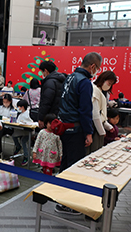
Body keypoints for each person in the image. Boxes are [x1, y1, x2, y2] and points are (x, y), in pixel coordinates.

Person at [56, 52, 102, 215]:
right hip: (76, 129)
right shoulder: (85, 82)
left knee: (66, 162)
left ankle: (60, 198)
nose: (96, 72)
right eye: (97, 68)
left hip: (65, 127)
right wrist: (89, 133)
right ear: (92, 66)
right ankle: (68, 203)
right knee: (75, 165)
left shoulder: (70, 77)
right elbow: (85, 110)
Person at [87, 71, 117, 154]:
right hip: (94, 127)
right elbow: (95, 114)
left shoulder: (99, 90)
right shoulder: (95, 90)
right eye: (109, 83)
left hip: (97, 126)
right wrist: (102, 131)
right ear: (103, 79)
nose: (109, 86)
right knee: (94, 152)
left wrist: (106, 126)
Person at [38, 61, 65, 129]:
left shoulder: (49, 82)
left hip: (50, 117)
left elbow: (46, 102)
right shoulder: (61, 80)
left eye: (42, 72)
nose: (42, 74)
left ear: (46, 71)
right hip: (59, 116)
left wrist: (41, 118)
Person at [0, 94, 15, 159]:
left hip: (8, 127)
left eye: (7, 102)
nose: (5, 103)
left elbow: (13, 120)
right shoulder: (0, 108)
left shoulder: (13, 110)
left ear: (10, 101)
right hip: (0, 125)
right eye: (4, 102)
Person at [12, 100, 33, 166]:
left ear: (23, 107)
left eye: (19, 107)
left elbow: (31, 123)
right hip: (21, 130)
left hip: (28, 130)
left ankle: (26, 156)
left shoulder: (28, 114)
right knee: (13, 136)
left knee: (23, 141)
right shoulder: (20, 114)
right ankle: (18, 147)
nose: (18, 108)